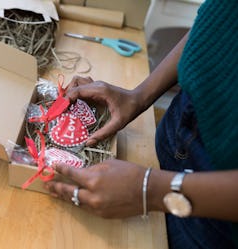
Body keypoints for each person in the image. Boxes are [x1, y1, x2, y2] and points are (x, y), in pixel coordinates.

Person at [44, 0, 238, 248]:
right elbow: (220, 20)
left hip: (214, 214)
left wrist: (153, 189)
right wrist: (139, 96)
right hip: (179, 128)